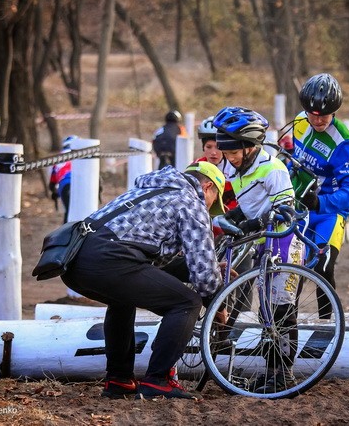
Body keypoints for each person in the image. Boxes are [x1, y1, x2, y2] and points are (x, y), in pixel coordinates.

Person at [60, 161, 228, 401]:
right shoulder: (191, 202)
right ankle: (158, 380)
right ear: (207, 187)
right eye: (213, 203)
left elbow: (152, 260)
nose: (209, 210)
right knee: (187, 302)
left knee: (122, 299)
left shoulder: (147, 190)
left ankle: (119, 379)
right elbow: (205, 279)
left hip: (75, 261)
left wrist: (204, 268)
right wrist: (218, 305)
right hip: (110, 260)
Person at [213, 106, 304, 393]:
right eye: (226, 154)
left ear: (251, 147)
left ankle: (284, 373)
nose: (229, 159)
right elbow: (250, 203)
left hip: (284, 243)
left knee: (281, 312)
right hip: (263, 244)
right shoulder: (239, 168)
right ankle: (270, 371)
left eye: (234, 153)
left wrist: (253, 222)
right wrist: (232, 216)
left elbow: (284, 209)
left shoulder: (273, 169)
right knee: (265, 313)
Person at [291, 73, 349, 319]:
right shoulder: (299, 122)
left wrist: (321, 202)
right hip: (298, 209)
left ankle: (327, 322)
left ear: (335, 112)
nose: (318, 119)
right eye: (313, 114)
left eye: (325, 115)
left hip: (327, 213)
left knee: (322, 268)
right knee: (291, 271)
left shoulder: (343, 142)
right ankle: (285, 327)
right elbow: (293, 159)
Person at [195, 116, 238, 212]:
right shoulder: (196, 165)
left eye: (218, 147)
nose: (213, 152)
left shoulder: (234, 166)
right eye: (209, 147)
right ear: (203, 147)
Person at [49, 135, 76, 224]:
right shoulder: (83, 155)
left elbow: (52, 184)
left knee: (69, 213)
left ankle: (66, 236)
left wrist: (54, 192)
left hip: (65, 185)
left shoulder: (58, 158)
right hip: (81, 183)